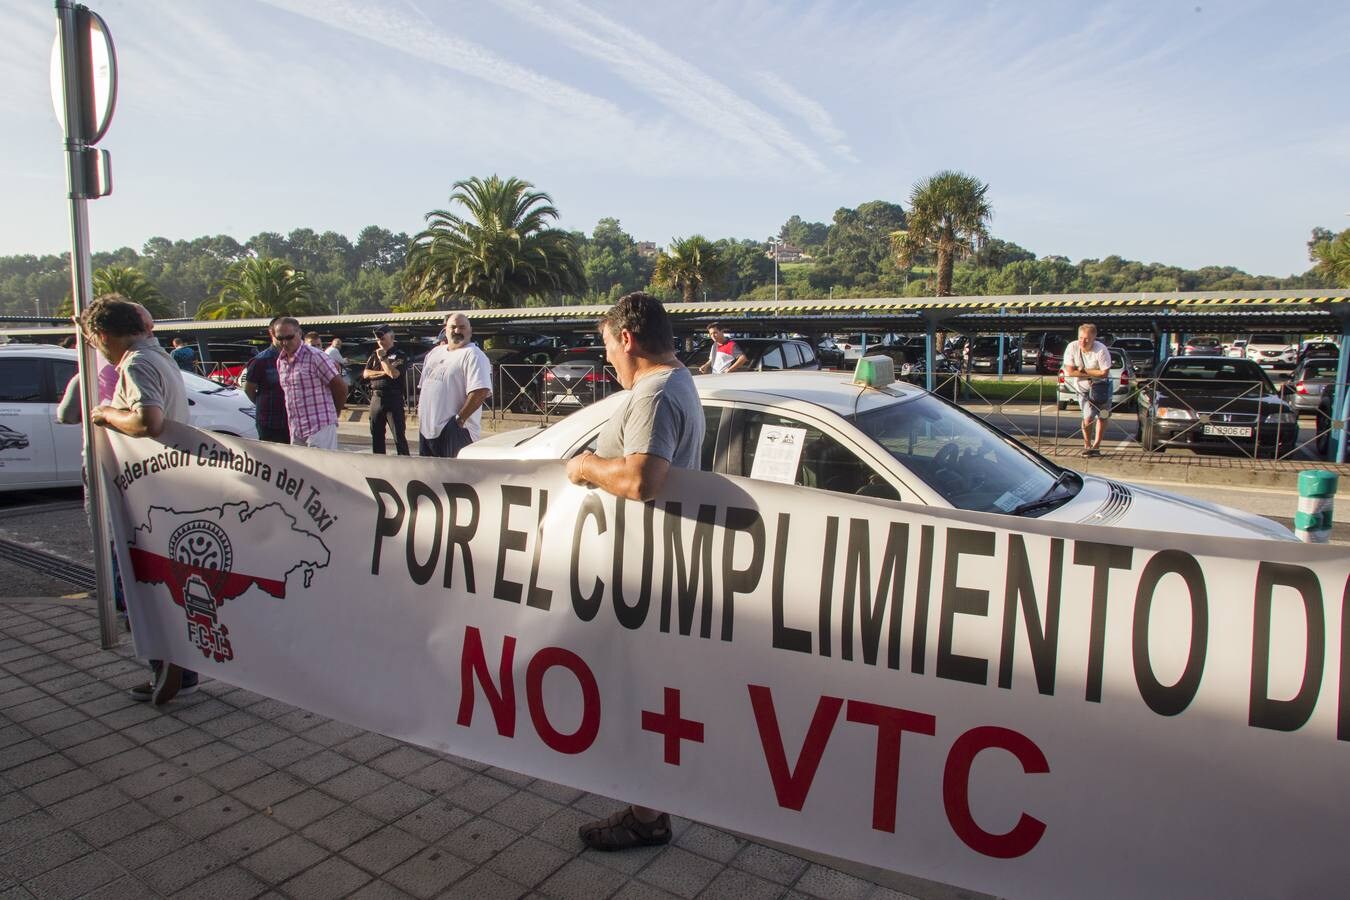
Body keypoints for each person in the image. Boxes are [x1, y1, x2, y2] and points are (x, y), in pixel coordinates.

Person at [565, 292, 704, 851]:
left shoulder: (653, 392)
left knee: (640, 689)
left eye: (607, 348)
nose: (608, 363)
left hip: (644, 570)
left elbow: (643, 480)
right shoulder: (681, 380)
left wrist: (586, 467)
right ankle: (650, 805)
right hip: (653, 562)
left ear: (627, 339)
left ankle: (648, 815)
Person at [80, 295, 198, 705]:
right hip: (165, 486)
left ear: (102, 334)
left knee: (143, 581)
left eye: (93, 340)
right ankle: (183, 669)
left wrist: (106, 414)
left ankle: (165, 667)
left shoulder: (136, 363)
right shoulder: (161, 358)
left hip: (149, 490)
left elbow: (150, 421)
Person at [417, 312, 492, 457]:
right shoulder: (434, 353)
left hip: (455, 431)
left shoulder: (473, 355)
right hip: (427, 430)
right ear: (446, 330)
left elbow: (480, 391)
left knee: (453, 477)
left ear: (470, 331)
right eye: (453, 327)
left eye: (462, 327)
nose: (457, 331)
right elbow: (424, 388)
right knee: (430, 477)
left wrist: (459, 420)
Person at [275, 316, 346, 450]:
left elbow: (341, 388)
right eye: (280, 339)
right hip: (296, 428)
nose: (284, 342)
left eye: (289, 337)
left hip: (320, 426)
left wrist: (332, 415)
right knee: (300, 470)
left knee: (321, 468)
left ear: (299, 334)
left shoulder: (315, 356)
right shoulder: (281, 361)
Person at [1062, 322, 1112, 457]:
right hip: (1082, 387)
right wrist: (1093, 372)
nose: (1083, 342)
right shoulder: (1072, 347)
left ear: (1094, 338)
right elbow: (1070, 371)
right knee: (1088, 417)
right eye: (1080, 338)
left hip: (1102, 386)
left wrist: (1083, 370)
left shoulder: (1101, 350)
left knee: (1103, 416)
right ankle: (1087, 445)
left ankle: (1096, 446)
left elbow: (1104, 373)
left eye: (1087, 339)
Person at [240, 316, 290, 443]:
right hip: (270, 423)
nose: (286, 338)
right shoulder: (260, 361)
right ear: (272, 332)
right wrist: (262, 404)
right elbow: (248, 389)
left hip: (294, 422)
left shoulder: (296, 358)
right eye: (282, 333)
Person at [363, 324, 410, 455]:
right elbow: (366, 374)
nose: (380, 341)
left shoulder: (399, 354)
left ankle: (405, 463)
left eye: (382, 338)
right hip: (376, 397)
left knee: (398, 436)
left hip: (393, 398)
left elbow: (394, 374)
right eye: (377, 339)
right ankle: (378, 464)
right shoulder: (374, 355)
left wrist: (383, 359)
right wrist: (384, 372)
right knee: (376, 435)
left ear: (392, 337)